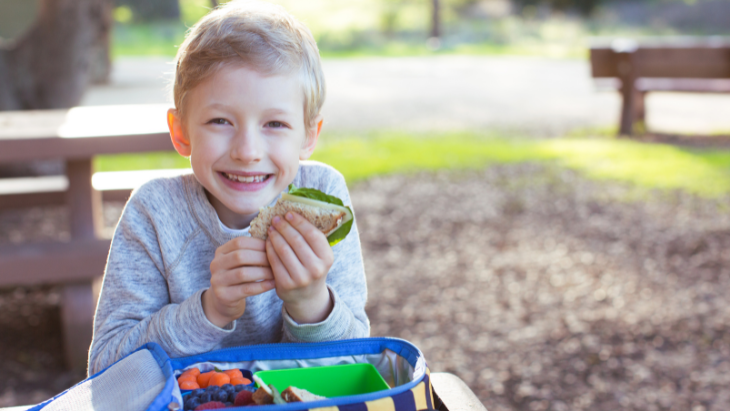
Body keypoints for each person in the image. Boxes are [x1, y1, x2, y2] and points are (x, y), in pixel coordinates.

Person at [88, 0, 369, 375]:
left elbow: (359, 367)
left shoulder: (325, 198)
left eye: (275, 124)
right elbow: (106, 369)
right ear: (181, 131)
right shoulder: (155, 212)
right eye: (220, 120)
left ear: (308, 135)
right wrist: (210, 310)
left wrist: (311, 304)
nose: (247, 152)